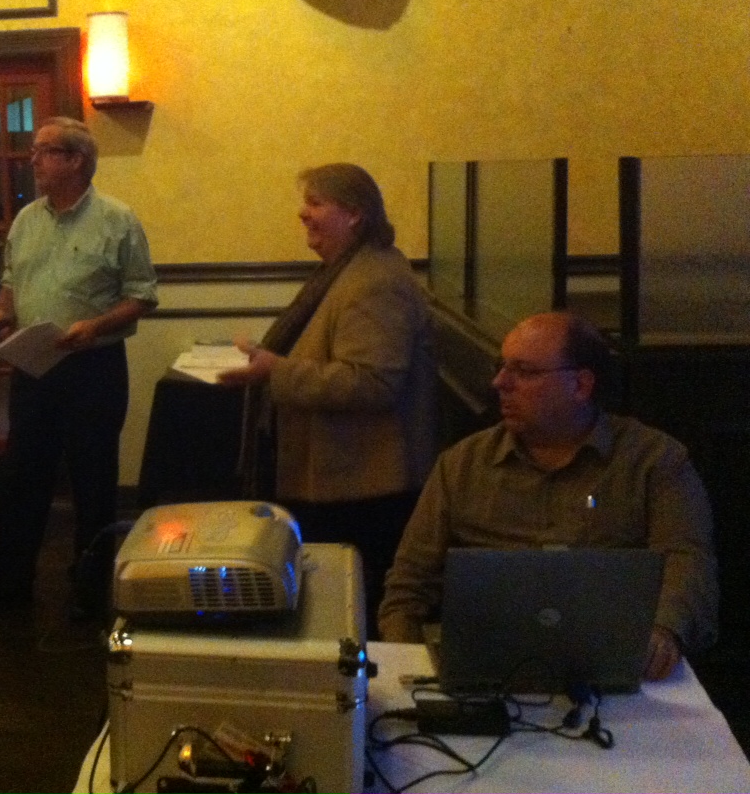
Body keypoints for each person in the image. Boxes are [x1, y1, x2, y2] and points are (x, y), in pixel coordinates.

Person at [378, 312, 718, 681]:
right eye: (501, 366)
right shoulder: (463, 464)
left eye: (523, 371)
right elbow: (410, 582)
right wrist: (408, 664)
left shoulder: (652, 461)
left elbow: (686, 559)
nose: (499, 382)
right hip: (485, 662)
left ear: (581, 385)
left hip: (609, 660)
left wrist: (663, 631)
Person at [218, 163, 435, 631]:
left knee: (351, 611)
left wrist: (276, 370)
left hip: (362, 486)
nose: (303, 214)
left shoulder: (374, 281)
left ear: (354, 214)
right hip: (342, 474)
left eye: (316, 203)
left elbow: (373, 383)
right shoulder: (346, 271)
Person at [0, 117, 158, 621]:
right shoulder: (26, 220)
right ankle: (8, 584)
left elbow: (142, 296)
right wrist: (2, 314)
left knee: (93, 482)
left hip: (93, 369)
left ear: (75, 160)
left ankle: (90, 593)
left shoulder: (118, 219)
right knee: (20, 478)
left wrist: (95, 326)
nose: (32, 160)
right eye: (34, 151)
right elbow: (11, 282)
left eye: (44, 151)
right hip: (34, 367)